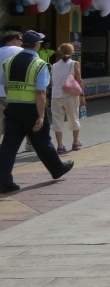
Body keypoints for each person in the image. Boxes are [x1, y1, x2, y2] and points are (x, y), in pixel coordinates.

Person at [0, 30, 74, 193]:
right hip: (32, 108)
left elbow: (6, 86)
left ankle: (4, 181)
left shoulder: (9, 62)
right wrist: (41, 115)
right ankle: (57, 169)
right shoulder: (39, 64)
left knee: (8, 145)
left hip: (13, 108)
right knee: (43, 142)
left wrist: (13, 103)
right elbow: (40, 92)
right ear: (37, 45)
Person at [51, 43, 85, 155]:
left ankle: (60, 146)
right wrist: (82, 96)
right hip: (70, 95)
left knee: (57, 121)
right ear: (72, 52)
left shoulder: (54, 66)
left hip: (56, 96)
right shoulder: (74, 63)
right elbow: (79, 80)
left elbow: (52, 82)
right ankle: (75, 142)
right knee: (74, 118)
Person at [0, 31, 24, 137]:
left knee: (0, 119)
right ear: (14, 40)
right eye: (20, 39)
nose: (22, 42)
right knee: (23, 118)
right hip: (16, 91)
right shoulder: (21, 51)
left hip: (0, 91)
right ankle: (29, 143)